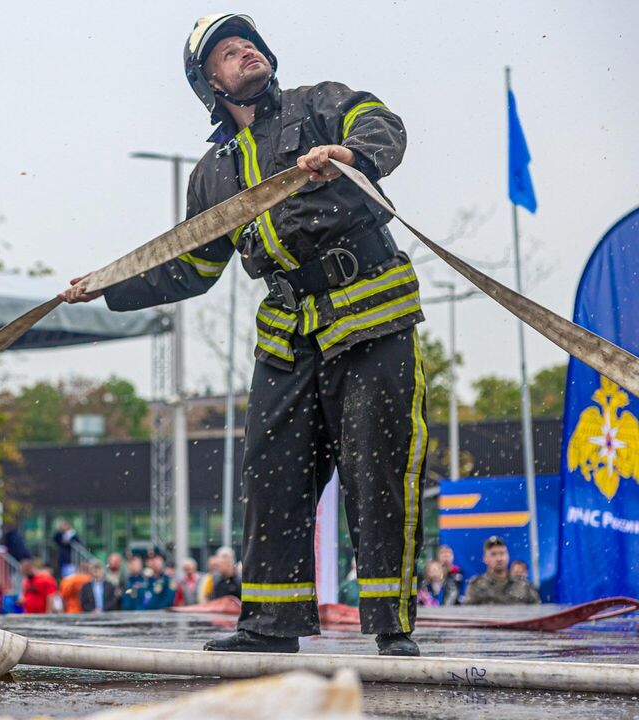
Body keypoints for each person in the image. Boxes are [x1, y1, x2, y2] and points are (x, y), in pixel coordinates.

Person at [61, 13, 423, 658]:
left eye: (248, 43)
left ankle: (391, 627)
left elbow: (384, 125)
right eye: (228, 53)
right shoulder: (212, 173)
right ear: (209, 84)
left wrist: (350, 154)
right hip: (286, 336)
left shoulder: (322, 104)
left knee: (375, 469)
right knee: (272, 474)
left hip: (370, 314)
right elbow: (192, 268)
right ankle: (271, 626)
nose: (245, 53)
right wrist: (110, 284)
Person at [463, 536, 540, 605]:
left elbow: (536, 613)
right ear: (485, 558)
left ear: (508, 556)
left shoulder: (523, 584)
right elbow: (471, 616)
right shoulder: (476, 585)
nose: (499, 558)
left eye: (502, 553)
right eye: (493, 554)